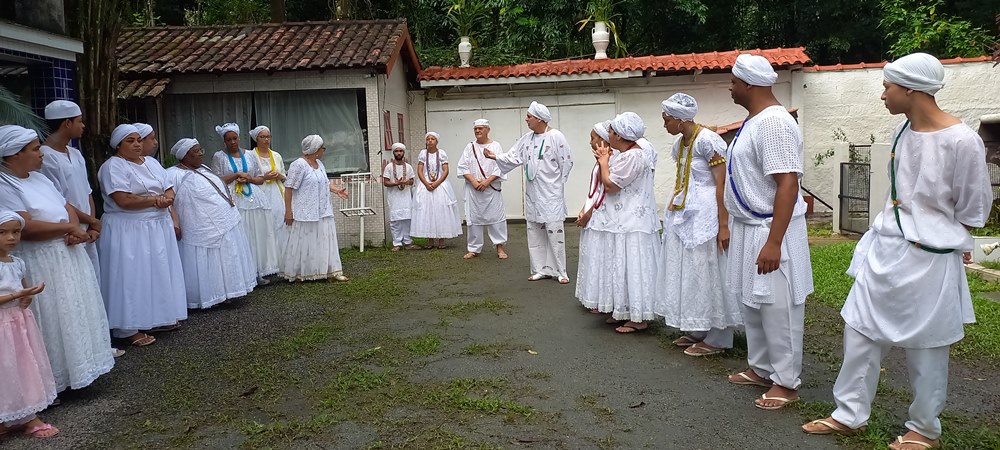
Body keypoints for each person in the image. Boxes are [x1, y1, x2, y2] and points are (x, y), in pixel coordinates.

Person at [802, 53, 992, 450]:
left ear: (910, 89)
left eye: (888, 86)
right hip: (884, 248)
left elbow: (974, 210)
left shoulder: (963, 141)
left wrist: (936, 234)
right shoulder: (901, 131)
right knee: (859, 331)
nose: (882, 94)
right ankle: (848, 414)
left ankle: (924, 428)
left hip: (929, 256)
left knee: (927, 343)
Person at [723, 54, 813, 410]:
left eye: (733, 81)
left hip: (772, 229)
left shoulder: (774, 123)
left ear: (748, 85)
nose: (730, 87)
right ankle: (761, 368)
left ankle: (787, 382)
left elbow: (788, 183)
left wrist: (774, 241)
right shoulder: (754, 121)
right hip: (750, 227)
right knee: (753, 302)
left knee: (779, 306)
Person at [0, 125, 115, 391]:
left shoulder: (40, 178)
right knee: (51, 316)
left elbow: (66, 208)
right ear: (14, 155)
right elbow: (24, 227)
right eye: (34, 149)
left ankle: (82, 368)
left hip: (65, 252)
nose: (41, 153)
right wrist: (68, 228)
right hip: (40, 258)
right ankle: (52, 382)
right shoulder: (5, 185)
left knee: (73, 310)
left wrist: (73, 228)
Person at [654, 93, 742, 356]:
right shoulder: (680, 143)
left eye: (667, 120)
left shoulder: (708, 141)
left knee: (709, 268)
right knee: (690, 268)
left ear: (681, 121)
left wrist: (723, 224)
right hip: (683, 213)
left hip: (706, 213)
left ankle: (719, 336)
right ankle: (699, 326)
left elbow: (722, 183)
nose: (664, 125)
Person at [97, 124, 187, 347]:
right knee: (131, 275)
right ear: (118, 145)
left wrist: (166, 198)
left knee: (157, 272)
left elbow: (168, 187)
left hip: (156, 225)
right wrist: (154, 201)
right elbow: (123, 199)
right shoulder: (113, 167)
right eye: (130, 141)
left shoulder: (152, 162)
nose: (137, 144)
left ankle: (157, 316)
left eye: (138, 139)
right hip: (129, 228)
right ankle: (127, 328)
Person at [575, 113, 660, 333]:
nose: (608, 135)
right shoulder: (626, 155)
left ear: (620, 136)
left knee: (632, 267)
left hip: (632, 222)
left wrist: (603, 162)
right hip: (622, 221)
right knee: (621, 267)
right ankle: (622, 310)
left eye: (611, 132)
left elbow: (611, 185)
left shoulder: (634, 156)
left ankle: (638, 317)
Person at [484, 101, 574, 283]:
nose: (526, 119)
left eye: (529, 116)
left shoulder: (556, 136)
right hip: (533, 193)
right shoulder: (528, 138)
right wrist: (495, 157)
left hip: (551, 194)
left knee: (554, 230)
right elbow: (513, 156)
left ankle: (560, 271)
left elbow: (567, 162)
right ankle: (540, 268)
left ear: (539, 119)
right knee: (534, 230)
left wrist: (558, 182)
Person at [166, 138, 257, 309]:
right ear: (184, 155)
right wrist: (175, 221)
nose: (200, 154)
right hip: (199, 226)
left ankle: (228, 292)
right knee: (205, 258)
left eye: (201, 149)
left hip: (223, 220)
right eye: (196, 151)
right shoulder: (173, 174)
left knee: (226, 256)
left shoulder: (204, 168)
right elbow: (169, 200)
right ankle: (210, 295)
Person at [0, 211, 59, 439]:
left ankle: (25, 415)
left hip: (18, 322)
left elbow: (22, 287)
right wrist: (18, 294)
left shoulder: (17, 262)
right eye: (3, 233)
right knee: (5, 369)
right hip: (2, 323)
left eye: (16, 232)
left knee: (22, 365)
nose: (11, 238)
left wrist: (28, 296)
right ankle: (7, 415)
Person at [39, 100, 102, 281]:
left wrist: (92, 224)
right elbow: (58, 200)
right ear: (67, 123)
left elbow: (87, 191)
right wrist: (91, 221)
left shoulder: (75, 153)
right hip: (68, 232)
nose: (83, 126)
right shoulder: (46, 157)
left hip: (87, 230)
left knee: (92, 280)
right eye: (79, 121)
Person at [211, 123, 280, 284]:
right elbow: (215, 179)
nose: (233, 142)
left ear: (239, 138)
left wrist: (249, 178)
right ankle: (243, 273)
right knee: (242, 235)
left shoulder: (249, 155)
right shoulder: (219, 156)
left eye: (235, 138)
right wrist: (235, 175)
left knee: (256, 234)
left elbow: (259, 178)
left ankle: (258, 271)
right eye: (229, 140)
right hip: (233, 200)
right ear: (224, 141)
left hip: (253, 198)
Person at [281, 135, 350, 282]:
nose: (324, 150)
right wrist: (288, 211)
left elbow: (323, 183)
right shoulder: (298, 165)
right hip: (305, 210)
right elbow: (289, 188)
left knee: (325, 240)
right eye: (322, 148)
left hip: (323, 209)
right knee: (305, 241)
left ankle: (330, 271)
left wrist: (336, 190)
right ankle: (302, 273)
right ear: (315, 150)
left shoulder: (319, 164)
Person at [456, 119, 508, 260]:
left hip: (491, 188)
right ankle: (474, 249)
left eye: (480, 128)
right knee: (474, 218)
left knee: (496, 218)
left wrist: (486, 182)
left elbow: (500, 165)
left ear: (487, 130)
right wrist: (473, 181)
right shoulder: (469, 147)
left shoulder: (496, 146)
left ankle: (499, 247)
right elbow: (462, 166)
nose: (477, 131)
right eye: (475, 129)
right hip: (473, 189)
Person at [410, 132, 462, 248]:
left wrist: (437, 183)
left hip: (440, 184)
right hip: (426, 183)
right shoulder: (423, 154)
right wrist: (426, 183)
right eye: (428, 139)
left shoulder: (442, 153)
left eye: (432, 139)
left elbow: (445, 170)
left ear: (436, 141)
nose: (430, 141)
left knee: (441, 209)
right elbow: (419, 170)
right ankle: (430, 239)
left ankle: (442, 239)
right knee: (427, 210)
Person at [249, 125, 287, 243]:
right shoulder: (250, 156)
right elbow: (250, 176)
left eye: (268, 137)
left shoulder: (276, 155)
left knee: (278, 221)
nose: (266, 140)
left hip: (275, 193)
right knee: (263, 224)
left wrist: (279, 176)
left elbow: (284, 176)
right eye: (262, 137)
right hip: (259, 192)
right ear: (256, 139)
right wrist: (264, 177)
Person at [382, 142, 417, 251]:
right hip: (394, 198)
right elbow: (385, 183)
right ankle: (397, 243)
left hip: (406, 197)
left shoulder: (408, 167)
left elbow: (412, 181)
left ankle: (408, 242)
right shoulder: (388, 167)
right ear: (393, 153)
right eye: (396, 151)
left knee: (407, 219)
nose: (399, 153)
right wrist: (396, 183)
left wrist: (406, 182)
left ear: (403, 152)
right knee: (395, 220)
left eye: (400, 151)